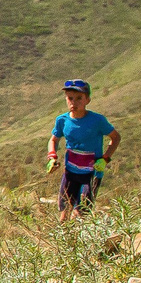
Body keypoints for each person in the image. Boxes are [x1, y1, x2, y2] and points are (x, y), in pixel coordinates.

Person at [48, 80, 118, 221]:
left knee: (81, 214)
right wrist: (52, 157)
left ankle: (80, 240)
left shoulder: (97, 120)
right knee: (64, 214)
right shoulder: (62, 120)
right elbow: (53, 139)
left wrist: (105, 159)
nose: (74, 102)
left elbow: (115, 138)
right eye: (70, 98)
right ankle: (63, 241)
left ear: (87, 100)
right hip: (70, 172)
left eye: (79, 98)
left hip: (92, 173)